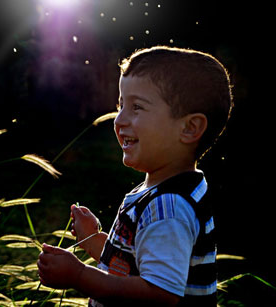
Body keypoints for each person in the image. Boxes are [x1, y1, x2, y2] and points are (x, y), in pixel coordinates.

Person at [37, 46, 233, 306]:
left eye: (137, 107)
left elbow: (158, 294)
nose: (119, 120)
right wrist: (94, 240)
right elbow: (131, 267)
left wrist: (80, 276)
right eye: (121, 105)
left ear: (189, 128)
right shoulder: (165, 191)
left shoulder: (169, 207)